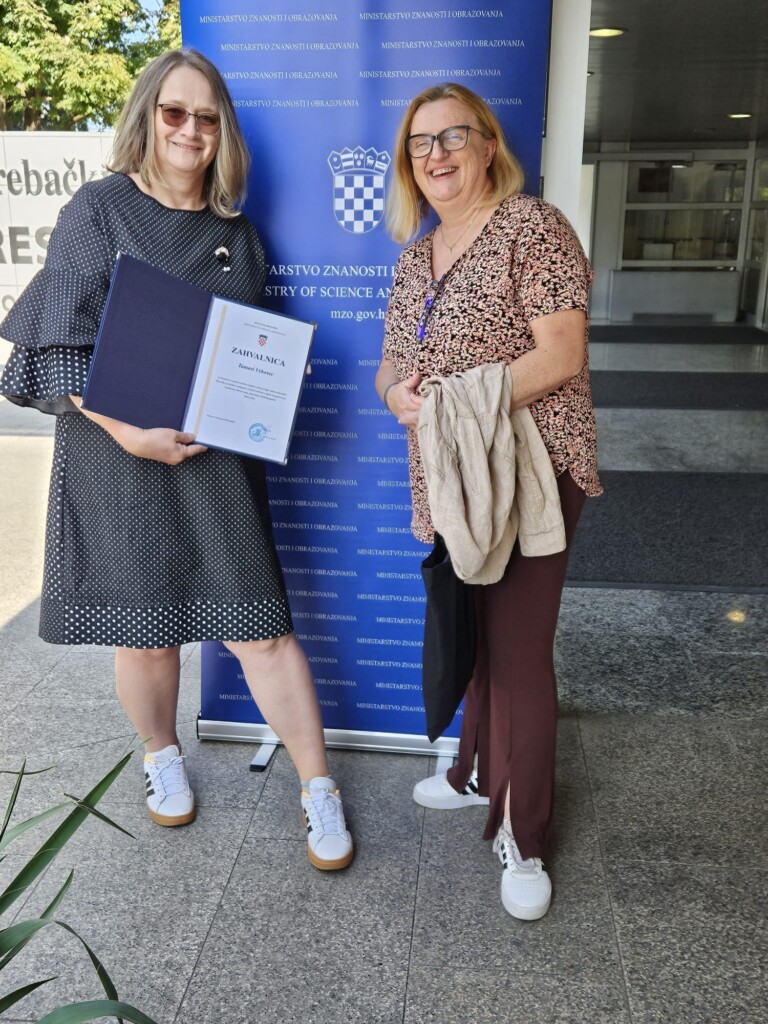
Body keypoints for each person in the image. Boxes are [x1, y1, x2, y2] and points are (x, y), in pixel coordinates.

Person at [0, 48, 353, 872]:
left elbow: (240, 353)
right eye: (174, 112)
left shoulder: (237, 235)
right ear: (147, 118)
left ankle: (318, 787)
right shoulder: (99, 209)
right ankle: (160, 754)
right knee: (147, 633)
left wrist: (275, 378)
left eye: (206, 117)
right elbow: (57, 343)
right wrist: (129, 432)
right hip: (116, 454)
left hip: (214, 459)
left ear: (223, 131)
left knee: (262, 631)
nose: (190, 129)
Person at [375, 83, 601, 919]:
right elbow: (390, 366)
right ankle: (475, 773)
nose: (435, 155)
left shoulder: (531, 227)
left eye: (452, 136)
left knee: (517, 653)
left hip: (529, 471)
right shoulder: (415, 259)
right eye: (420, 143)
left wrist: (455, 399)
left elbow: (562, 354)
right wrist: (400, 396)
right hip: (454, 477)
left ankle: (525, 835)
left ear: (487, 146)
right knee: (473, 636)